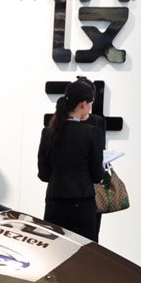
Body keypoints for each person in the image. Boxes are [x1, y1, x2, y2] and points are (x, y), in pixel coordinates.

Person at [36, 78, 105, 242]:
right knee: (84, 253)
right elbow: (97, 175)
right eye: (90, 103)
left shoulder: (48, 132)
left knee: (54, 250)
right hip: (83, 205)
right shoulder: (92, 133)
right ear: (83, 104)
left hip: (54, 203)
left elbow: (43, 174)